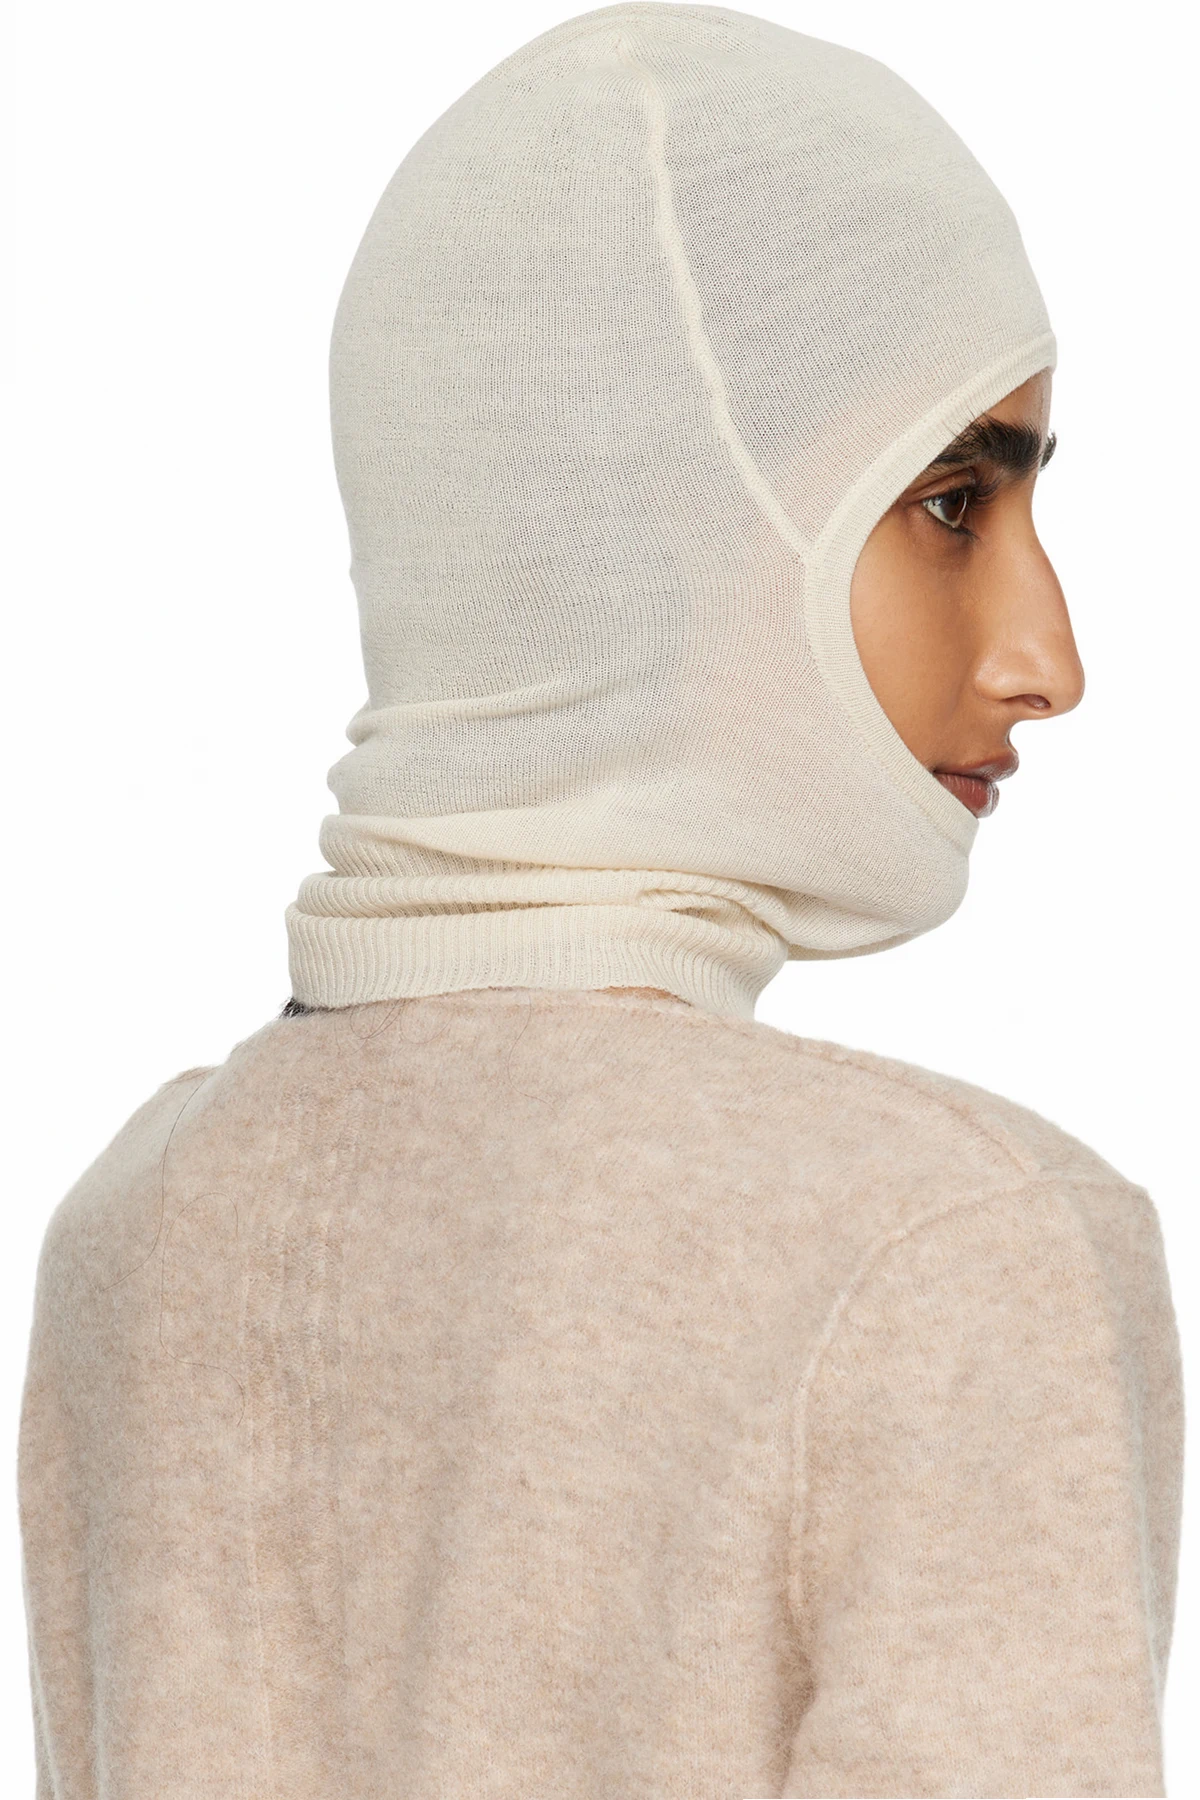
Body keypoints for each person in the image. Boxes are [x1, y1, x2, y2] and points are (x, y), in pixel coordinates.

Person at [17, 6, 1182, 1797]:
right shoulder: (954, 1249)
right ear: (672, 531)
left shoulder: (136, 1230)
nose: (1050, 659)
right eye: (953, 501)